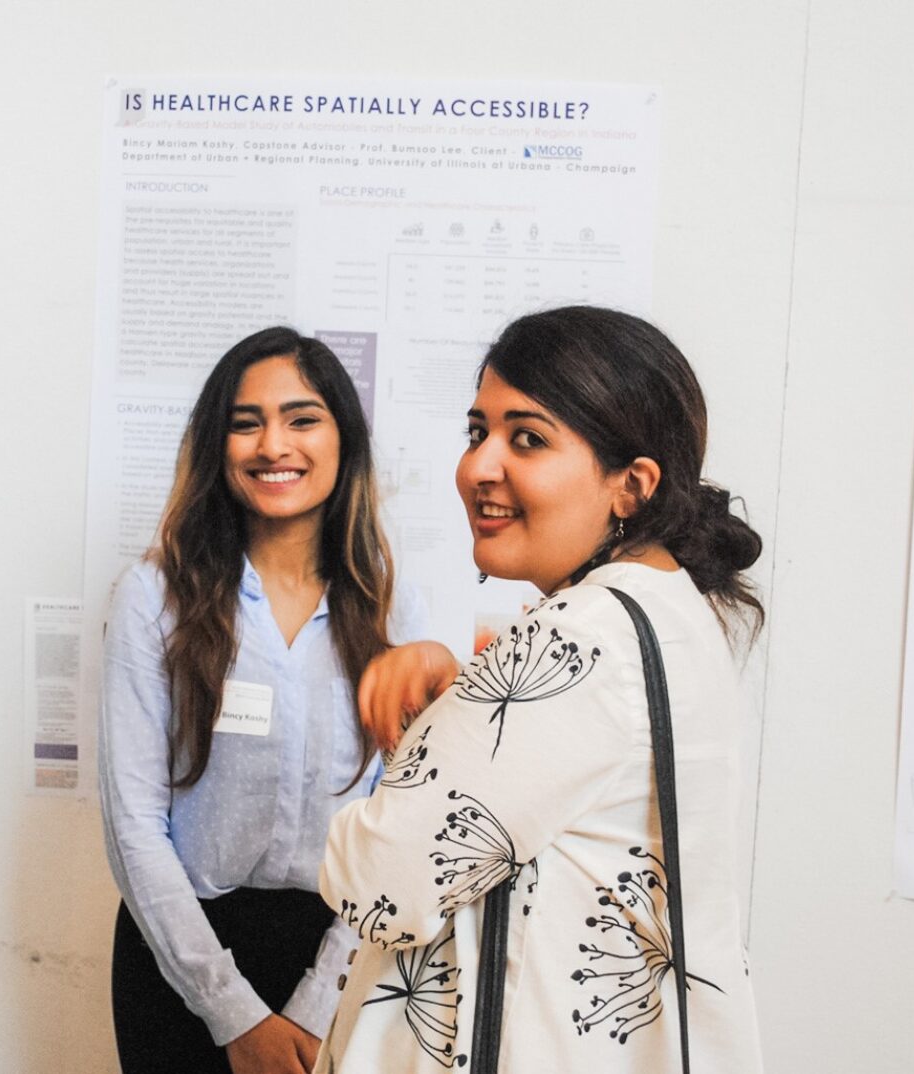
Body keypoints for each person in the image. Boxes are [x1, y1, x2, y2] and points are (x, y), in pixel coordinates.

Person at [317, 306, 765, 1072]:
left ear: (632, 486)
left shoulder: (580, 637)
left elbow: (376, 883)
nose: (478, 467)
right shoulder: (673, 610)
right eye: (477, 432)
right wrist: (464, 698)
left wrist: (430, 733)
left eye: (526, 438)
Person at [99, 326, 425, 1074]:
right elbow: (133, 827)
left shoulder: (392, 610)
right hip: (182, 960)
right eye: (246, 423)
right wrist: (233, 1013)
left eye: (302, 419)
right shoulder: (154, 598)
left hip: (342, 955)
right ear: (218, 446)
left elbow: (397, 820)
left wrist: (317, 1003)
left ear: (343, 440)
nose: (274, 445)